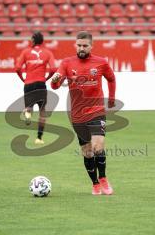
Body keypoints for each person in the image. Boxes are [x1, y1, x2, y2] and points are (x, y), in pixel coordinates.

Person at [51, 31, 116, 195]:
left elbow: (111, 78)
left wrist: (112, 98)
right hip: (78, 115)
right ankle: (94, 183)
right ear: (75, 44)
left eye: (85, 46)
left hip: (96, 110)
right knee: (87, 151)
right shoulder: (66, 63)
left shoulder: (101, 63)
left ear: (91, 46)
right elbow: (55, 86)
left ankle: (103, 178)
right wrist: (54, 80)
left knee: (98, 145)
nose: (81, 48)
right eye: (79, 45)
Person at [15, 32, 56, 145]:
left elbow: (17, 68)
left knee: (29, 106)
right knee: (42, 111)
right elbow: (53, 69)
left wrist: (23, 79)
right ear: (42, 41)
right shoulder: (48, 52)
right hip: (41, 84)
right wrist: (47, 78)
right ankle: (39, 138)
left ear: (33, 40)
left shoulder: (26, 52)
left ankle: (28, 113)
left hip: (28, 84)